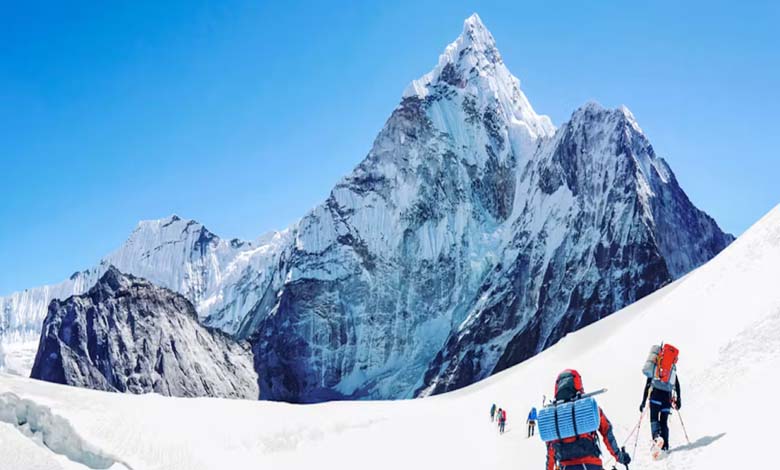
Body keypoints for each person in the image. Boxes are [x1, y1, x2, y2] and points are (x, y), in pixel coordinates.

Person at [545, 370, 631, 470]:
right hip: (591, 465)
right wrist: (618, 456)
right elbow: (606, 431)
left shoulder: (553, 417)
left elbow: (551, 450)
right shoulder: (588, 407)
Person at [640, 374, 682, 452]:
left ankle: (657, 438)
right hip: (666, 398)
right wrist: (678, 399)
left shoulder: (655, 367)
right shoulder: (671, 368)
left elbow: (648, 384)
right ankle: (665, 446)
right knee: (664, 422)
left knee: (654, 419)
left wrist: (643, 402)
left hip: (655, 396)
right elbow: (677, 384)